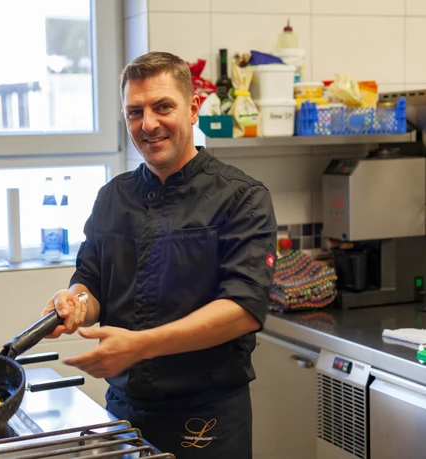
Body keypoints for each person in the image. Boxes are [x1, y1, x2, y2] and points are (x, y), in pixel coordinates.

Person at [40, 51, 277, 459]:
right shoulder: (112, 197)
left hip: (207, 421)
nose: (148, 124)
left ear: (193, 108)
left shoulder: (241, 197)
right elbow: (91, 280)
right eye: (135, 112)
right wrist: (76, 301)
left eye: (162, 107)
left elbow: (243, 307)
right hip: (123, 413)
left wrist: (141, 345)